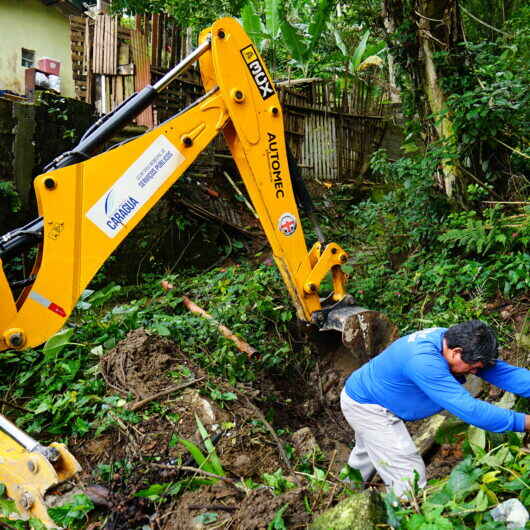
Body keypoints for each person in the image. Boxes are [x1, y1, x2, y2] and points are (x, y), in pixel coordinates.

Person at [340, 320, 530, 497]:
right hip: (366, 405)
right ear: (456, 352)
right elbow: (470, 409)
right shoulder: (424, 362)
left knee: (367, 453)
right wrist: (525, 422)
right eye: (473, 367)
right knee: (408, 474)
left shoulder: (454, 343)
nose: (474, 372)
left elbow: (506, 374)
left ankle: (345, 497)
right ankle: (404, 516)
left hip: (373, 392)